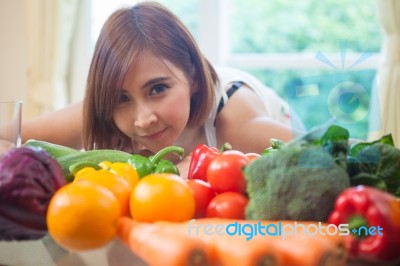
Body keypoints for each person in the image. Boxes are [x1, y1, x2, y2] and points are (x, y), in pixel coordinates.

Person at [22, 1, 303, 176]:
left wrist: (199, 169)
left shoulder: (234, 123)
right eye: (122, 98)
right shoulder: (101, 111)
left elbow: (336, 149)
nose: (143, 119)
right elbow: (11, 136)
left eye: (157, 89)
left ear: (193, 76)